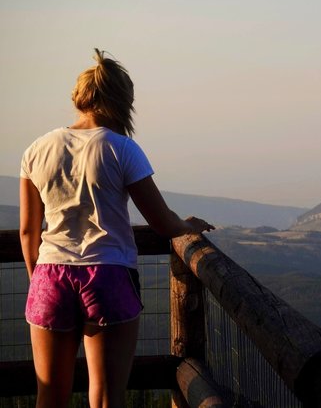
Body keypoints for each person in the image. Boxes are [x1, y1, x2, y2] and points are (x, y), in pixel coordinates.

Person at [19, 49, 214, 407]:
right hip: (107, 274)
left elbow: (29, 232)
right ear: (122, 101)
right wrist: (188, 225)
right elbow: (161, 221)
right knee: (107, 396)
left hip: (49, 274)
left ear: (80, 98)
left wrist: (37, 280)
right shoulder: (122, 149)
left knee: (49, 394)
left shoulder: (36, 150)